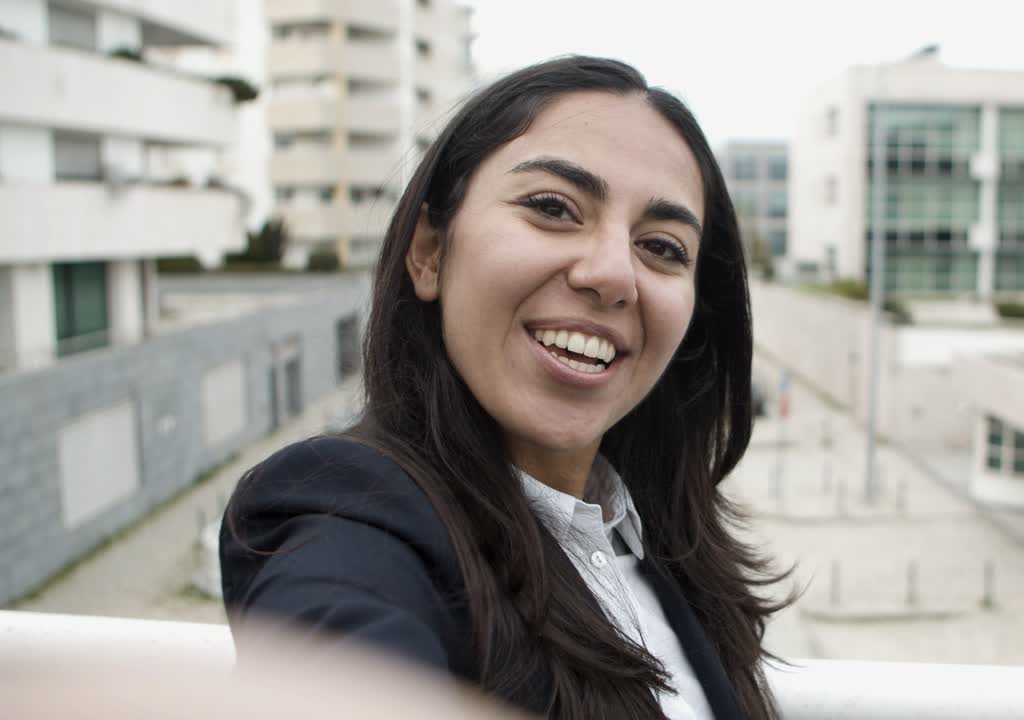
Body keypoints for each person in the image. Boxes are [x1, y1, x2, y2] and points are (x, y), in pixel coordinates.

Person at [221, 56, 789, 719]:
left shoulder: (660, 540)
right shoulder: (347, 511)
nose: (614, 275)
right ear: (430, 252)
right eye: (553, 208)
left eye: (662, 247)